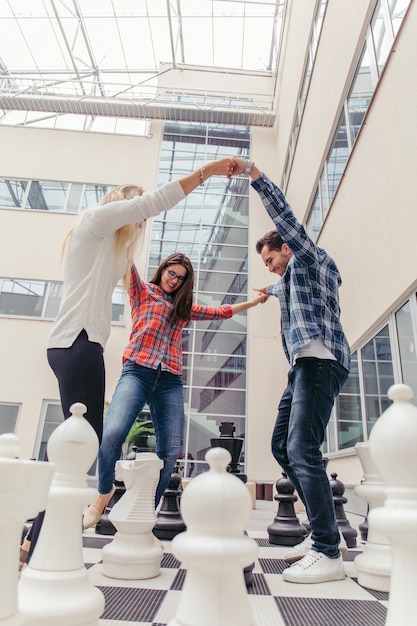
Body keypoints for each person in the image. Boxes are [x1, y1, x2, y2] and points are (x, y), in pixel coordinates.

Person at [21, 157, 236, 568]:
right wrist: (205, 172)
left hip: (86, 346)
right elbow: (151, 204)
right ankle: (45, 535)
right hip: (77, 343)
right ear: (122, 203)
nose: (139, 222)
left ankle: (38, 537)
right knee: (86, 444)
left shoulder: (111, 246)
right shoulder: (98, 221)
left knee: (81, 445)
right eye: (136, 212)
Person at [231, 156, 351, 584]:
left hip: (321, 361)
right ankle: (322, 531)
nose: (270, 266)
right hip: (303, 366)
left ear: (285, 246)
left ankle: (327, 549)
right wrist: (269, 289)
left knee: (304, 449)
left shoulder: (309, 259)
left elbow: (286, 218)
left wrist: (255, 175)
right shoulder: (290, 279)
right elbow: (285, 288)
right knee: (283, 448)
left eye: (270, 259)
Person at [83, 252, 267, 527]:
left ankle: (146, 512)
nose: (174, 281)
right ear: (163, 270)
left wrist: (253, 302)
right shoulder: (142, 290)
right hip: (138, 370)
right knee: (112, 433)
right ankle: (103, 493)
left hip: (169, 380)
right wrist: (129, 220)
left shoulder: (183, 308)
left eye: (181, 278)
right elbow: (125, 256)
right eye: (172, 274)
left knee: (169, 451)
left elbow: (220, 312)